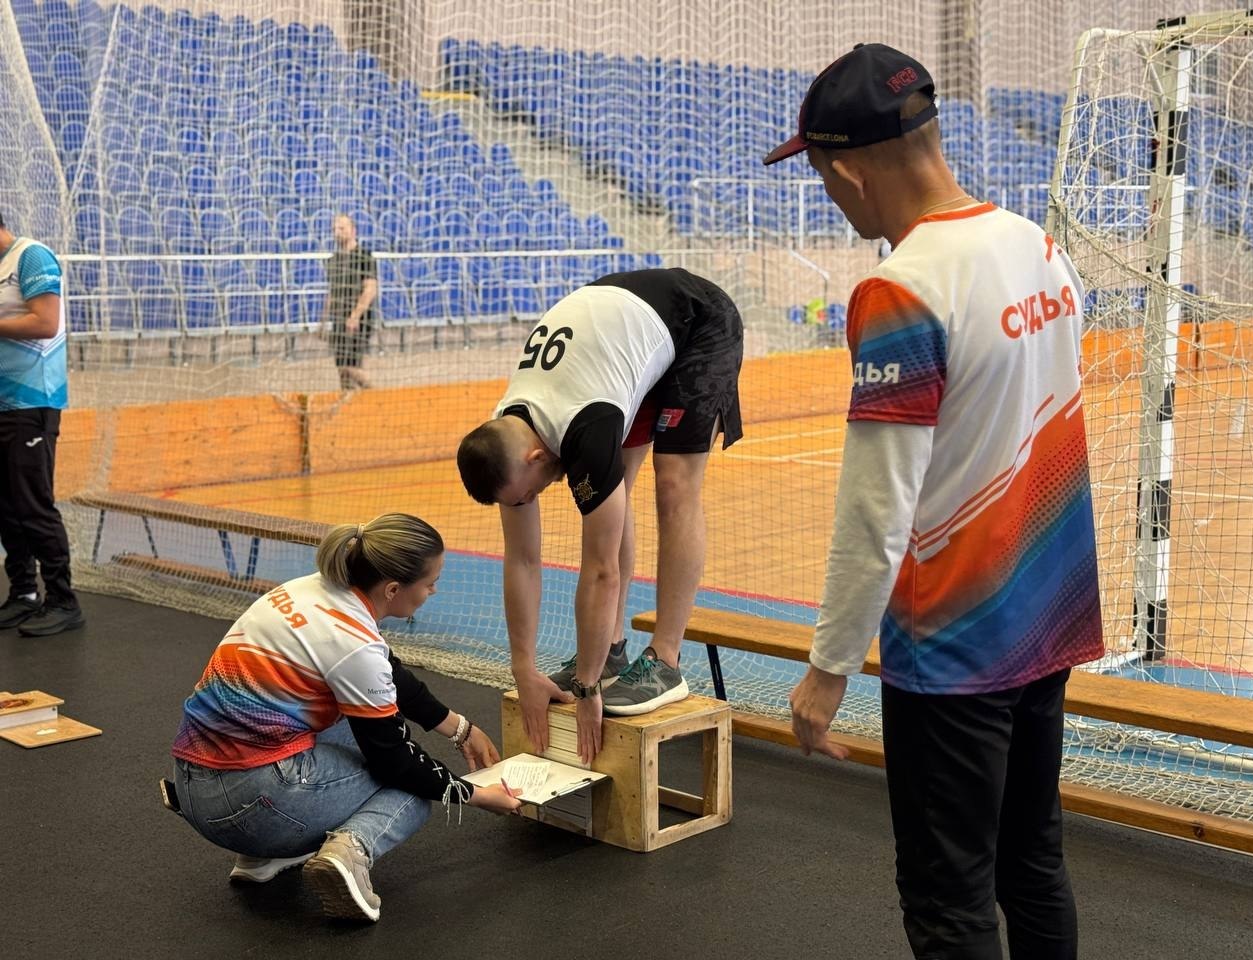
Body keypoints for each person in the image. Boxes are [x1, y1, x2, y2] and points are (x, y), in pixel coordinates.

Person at [767, 45, 1103, 960]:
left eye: (822, 179)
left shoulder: (900, 287)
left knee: (949, 902)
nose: (831, 199)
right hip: (1051, 611)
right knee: (1033, 863)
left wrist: (829, 666)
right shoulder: (1037, 246)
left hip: (956, 645)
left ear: (847, 171)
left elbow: (876, 508)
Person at [168, 513, 522, 923]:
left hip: (193, 787)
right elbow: (397, 763)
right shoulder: (355, 645)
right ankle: (350, 852)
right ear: (393, 589)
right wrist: (477, 795)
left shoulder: (310, 590)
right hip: (248, 806)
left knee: (361, 726)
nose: (433, 591)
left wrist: (461, 729)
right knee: (411, 788)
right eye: (430, 583)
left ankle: (263, 855)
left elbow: (388, 672)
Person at [456, 268, 743, 764]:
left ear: (534, 458)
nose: (531, 500)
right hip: (619, 343)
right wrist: (524, 669)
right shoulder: (504, 437)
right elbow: (522, 560)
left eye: (528, 495)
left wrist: (587, 688)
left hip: (697, 323)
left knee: (673, 486)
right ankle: (609, 650)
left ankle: (666, 658)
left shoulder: (587, 426)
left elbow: (601, 570)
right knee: (615, 492)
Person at [0, 212, 85, 638]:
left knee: (33, 504)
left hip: (32, 402)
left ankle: (63, 600)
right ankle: (24, 592)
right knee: (5, 506)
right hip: (2, 403)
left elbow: (45, 322)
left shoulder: (30, 256)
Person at [324, 213, 378, 391]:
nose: (337, 232)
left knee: (351, 366)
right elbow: (332, 292)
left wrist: (355, 316)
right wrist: (323, 321)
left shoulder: (364, 256)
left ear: (353, 230)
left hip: (359, 320)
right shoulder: (333, 261)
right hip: (339, 319)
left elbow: (370, 289)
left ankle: (375, 395)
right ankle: (349, 400)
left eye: (342, 228)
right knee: (342, 369)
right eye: (334, 229)